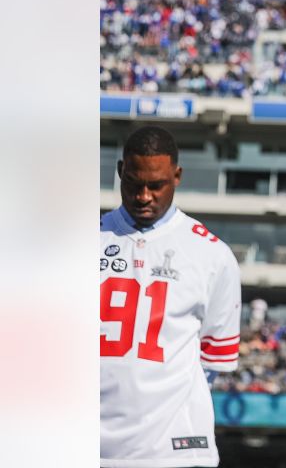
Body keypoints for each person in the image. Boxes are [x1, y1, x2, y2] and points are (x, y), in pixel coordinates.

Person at [100, 126, 241, 467]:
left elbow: (214, 359)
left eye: (156, 185)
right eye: (133, 183)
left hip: (175, 451)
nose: (144, 195)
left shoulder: (213, 255)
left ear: (177, 176)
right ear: (120, 172)